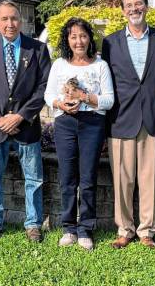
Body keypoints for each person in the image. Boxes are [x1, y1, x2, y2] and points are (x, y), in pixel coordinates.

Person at [0, 0, 51, 243]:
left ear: (22, 21)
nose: (10, 24)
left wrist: (20, 115)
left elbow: (44, 87)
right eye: (5, 19)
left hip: (26, 126)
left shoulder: (37, 49)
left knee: (34, 179)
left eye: (14, 18)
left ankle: (33, 223)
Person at [101, 0, 155, 249]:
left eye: (138, 4)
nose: (134, 9)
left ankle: (146, 231)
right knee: (123, 179)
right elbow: (106, 81)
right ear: (122, 11)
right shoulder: (110, 42)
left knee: (149, 179)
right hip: (121, 119)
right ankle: (124, 228)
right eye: (129, 5)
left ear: (146, 6)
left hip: (154, 119)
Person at [44, 18, 114, 250]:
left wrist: (85, 97)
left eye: (83, 36)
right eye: (73, 36)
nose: (78, 41)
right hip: (65, 123)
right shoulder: (60, 65)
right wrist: (60, 104)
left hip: (92, 123)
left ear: (89, 39)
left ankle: (85, 229)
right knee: (67, 178)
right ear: (67, 39)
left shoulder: (100, 65)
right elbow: (48, 95)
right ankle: (68, 228)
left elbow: (109, 100)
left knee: (87, 179)